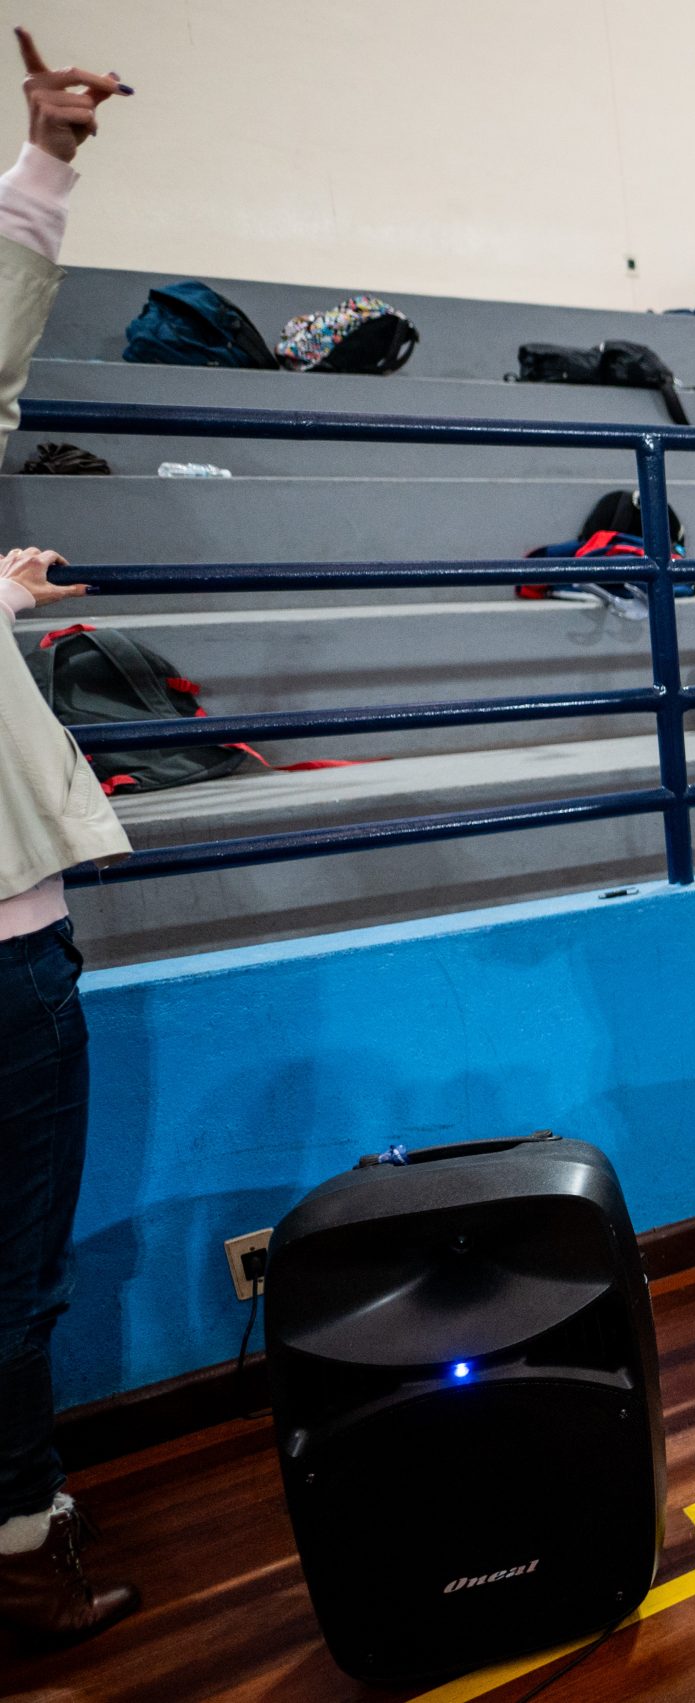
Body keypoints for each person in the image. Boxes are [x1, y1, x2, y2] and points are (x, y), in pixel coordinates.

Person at [0, 28, 140, 1646]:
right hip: (6, 958)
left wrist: (47, 158)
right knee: (14, 1275)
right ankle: (20, 1542)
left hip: (18, 946)